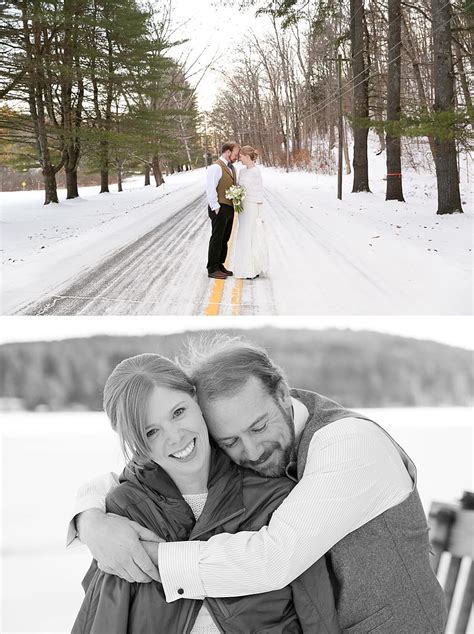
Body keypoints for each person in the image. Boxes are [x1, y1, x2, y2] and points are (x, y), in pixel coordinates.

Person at [70, 338, 447, 634]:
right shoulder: (234, 445)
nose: (250, 451)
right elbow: (147, 470)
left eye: (258, 427)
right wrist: (91, 519)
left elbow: (273, 558)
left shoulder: (349, 442)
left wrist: (142, 554)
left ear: (283, 393)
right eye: (230, 442)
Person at [72, 353, 339, 633]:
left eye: (178, 412)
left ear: (196, 401)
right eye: (151, 431)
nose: (176, 437)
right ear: (135, 441)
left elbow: (315, 609)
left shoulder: (272, 494)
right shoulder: (126, 513)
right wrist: (89, 519)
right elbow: (103, 620)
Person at [232, 145, 269, 279]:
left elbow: (259, 192)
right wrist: (235, 196)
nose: (239, 159)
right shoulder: (241, 171)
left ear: (247, 157)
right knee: (243, 234)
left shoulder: (256, 172)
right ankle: (243, 267)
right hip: (243, 207)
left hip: (252, 206)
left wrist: (259, 212)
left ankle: (252, 269)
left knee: (251, 234)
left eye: (241, 156)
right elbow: (238, 187)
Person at [205, 141, 240, 280]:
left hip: (229, 208)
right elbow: (210, 188)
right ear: (228, 151)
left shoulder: (232, 168)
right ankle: (212, 268)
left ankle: (220, 265)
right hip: (219, 207)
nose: (237, 157)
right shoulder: (216, 167)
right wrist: (215, 207)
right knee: (217, 238)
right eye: (235, 154)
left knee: (225, 238)